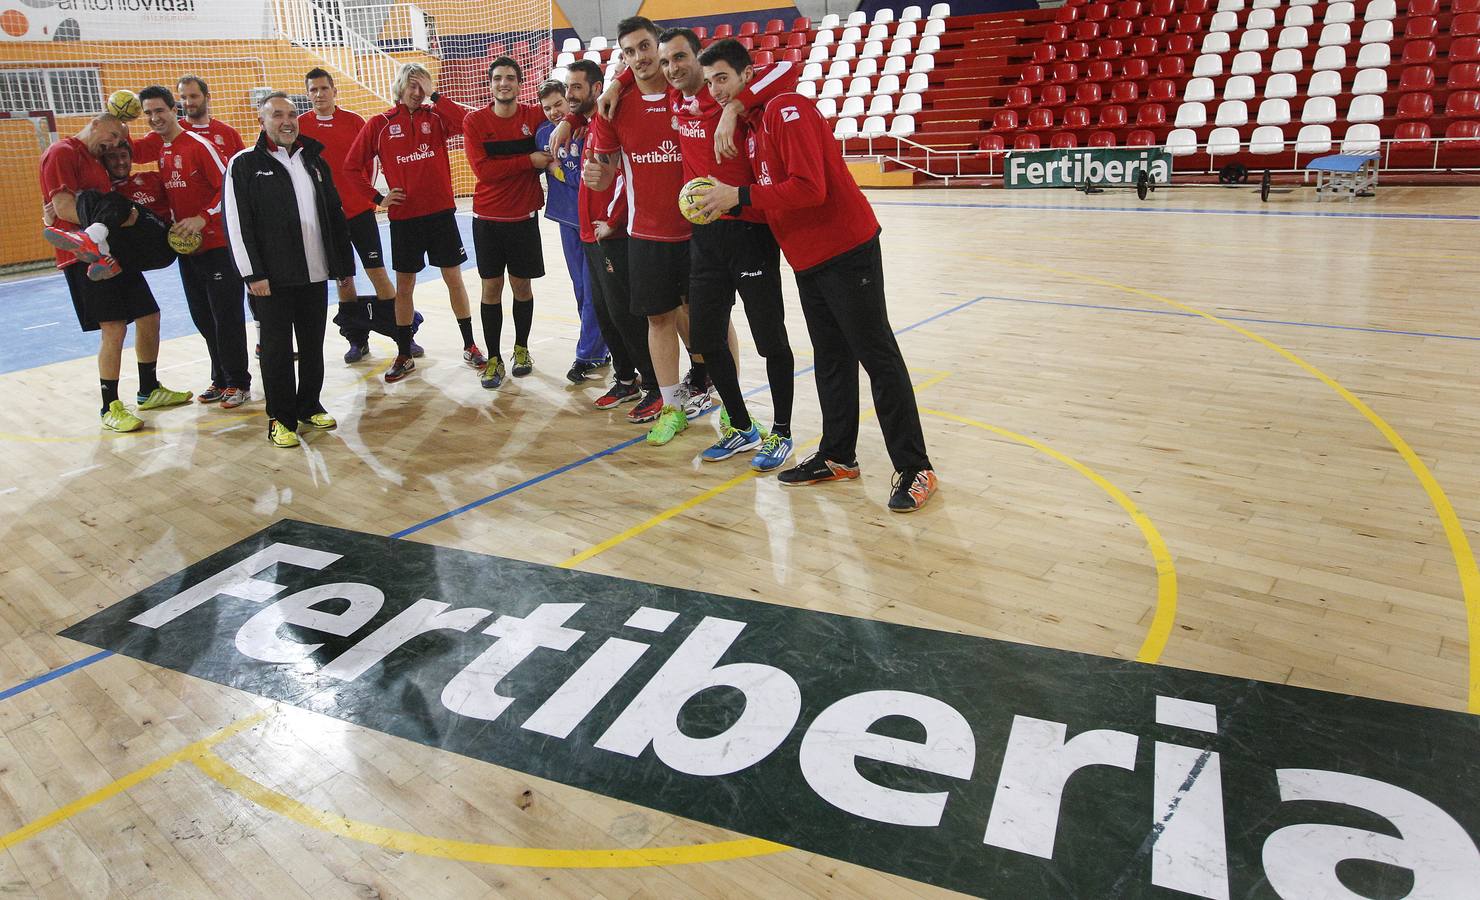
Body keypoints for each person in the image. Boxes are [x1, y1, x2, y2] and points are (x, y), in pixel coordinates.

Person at [695, 40, 939, 512]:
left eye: (722, 78)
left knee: (877, 355)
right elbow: (774, 198)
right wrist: (724, 205)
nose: (715, 90)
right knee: (830, 357)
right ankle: (838, 455)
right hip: (807, 257)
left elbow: (809, 188)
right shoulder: (750, 127)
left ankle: (915, 467)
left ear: (747, 76)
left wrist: (739, 196)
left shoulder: (786, 109)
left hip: (847, 248)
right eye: (709, 83)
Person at [602, 27, 798, 472]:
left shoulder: (730, 96)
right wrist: (618, 80)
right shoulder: (675, 99)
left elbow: (788, 68)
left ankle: (782, 431)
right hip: (705, 239)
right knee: (707, 339)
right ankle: (743, 427)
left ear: (700, 58)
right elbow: (640, 69)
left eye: (680, 58)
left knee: (770, 339)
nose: (671, 68)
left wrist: (735, 109)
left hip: (749, 234)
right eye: (666, 60)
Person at [584, 16, 712, 446]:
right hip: (647, 233)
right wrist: (596, 177)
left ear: (659, 47)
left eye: (644, 47)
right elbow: (605, 172)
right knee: (658, 319)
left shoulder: (688, 90)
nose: (638, 58)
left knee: (710, 318)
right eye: (628, 52)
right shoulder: (613, 106)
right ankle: (673, 407)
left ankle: (732, 406)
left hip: (701, 230)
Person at [38, 113, 191, 433]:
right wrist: (119, 217)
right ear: (95, 124)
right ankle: (110, 406)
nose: (112, 144)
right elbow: (64, 206)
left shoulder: (95, 158)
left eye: (120, 142)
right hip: (81, 256)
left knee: (149, 315)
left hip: (111, 250)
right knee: (114, 328)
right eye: (109, 136)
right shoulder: (62, 153)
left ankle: (149, 389)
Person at [224, 92, 353, 448]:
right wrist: (253, 274)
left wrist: (342, 266)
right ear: (261, 121)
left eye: (292, 114)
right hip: (272, 279)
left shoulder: (314, 160)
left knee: (312, 346)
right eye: (277, 115)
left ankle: (308, 405)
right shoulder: (245, 164)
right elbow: (237, 223)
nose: (287, 121)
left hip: (314, 274)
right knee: (277, 350)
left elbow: (334, 215)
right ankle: (279, 419)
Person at [345, 62, 485, 383]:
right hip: (404, 219)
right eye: (412, 85)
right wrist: (377, 199)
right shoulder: (380, 124)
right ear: (400, 87)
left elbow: (469, 124)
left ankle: (470, 345)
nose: (417, 92)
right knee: (404, 287)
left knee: (454, 279)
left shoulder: (436, 117)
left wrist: (436, 96)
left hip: (440, 214)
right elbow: (352, 166)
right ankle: (405, 352)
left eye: (422, 86)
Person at [138, 84, 252, 410]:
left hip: (217, 245)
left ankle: (238, 383)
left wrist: (203, 218)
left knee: (226, 316)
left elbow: (227, 188)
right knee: (203, 317)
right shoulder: (163, 149)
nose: (154, 118)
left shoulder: (199, 145)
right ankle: (220, 379)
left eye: (159, 110)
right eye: (148, 113)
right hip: (188, 250)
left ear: (174, 110)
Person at [557, 59, 655, 414]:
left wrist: (613, 221)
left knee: (626, 315)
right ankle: (626, 380)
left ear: (598, 89)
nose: (569, 95)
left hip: (611, 233)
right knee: (605, 312)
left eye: (576, 88)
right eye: (567, 87)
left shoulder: (610, 120)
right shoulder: (586, 123)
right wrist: (569, 120)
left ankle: (655, 384)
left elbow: (628, 178)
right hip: (589, 234)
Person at [298, 67, 403, 365]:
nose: (319, 94)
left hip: (359, 213)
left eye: (323, 89)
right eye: (313, 90)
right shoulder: (300, 125)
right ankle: (357, 340)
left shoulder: (354, 121)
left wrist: (364, 198)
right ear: (307, 94)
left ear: (334, 91)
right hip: (327, 219)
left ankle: (402, 334)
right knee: (343, 280)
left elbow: (370, 163)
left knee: (378, 274)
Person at [462, 56, 550, 389]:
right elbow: (484, 171)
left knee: (522, 287)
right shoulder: (475, 122)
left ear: (520, 82)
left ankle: (522, 349)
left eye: (510, 78)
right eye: (498, 78)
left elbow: (563, 121)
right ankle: (494, 358)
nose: (504, 83)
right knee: (491, 288)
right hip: (487, 220)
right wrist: (529, 160)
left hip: (523, 218)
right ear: (489, 84)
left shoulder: (534, 116)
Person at [535, 79, 610, 385]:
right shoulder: (543, 134)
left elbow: (584, 179)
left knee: (594, 291)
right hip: (567, 220)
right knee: (581, 290)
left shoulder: (586, 130)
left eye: (559, 104)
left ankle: (587, 354)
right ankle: (599, 348)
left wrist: (555, 168)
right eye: (547, 107)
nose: (554, 112)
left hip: (594, 222)